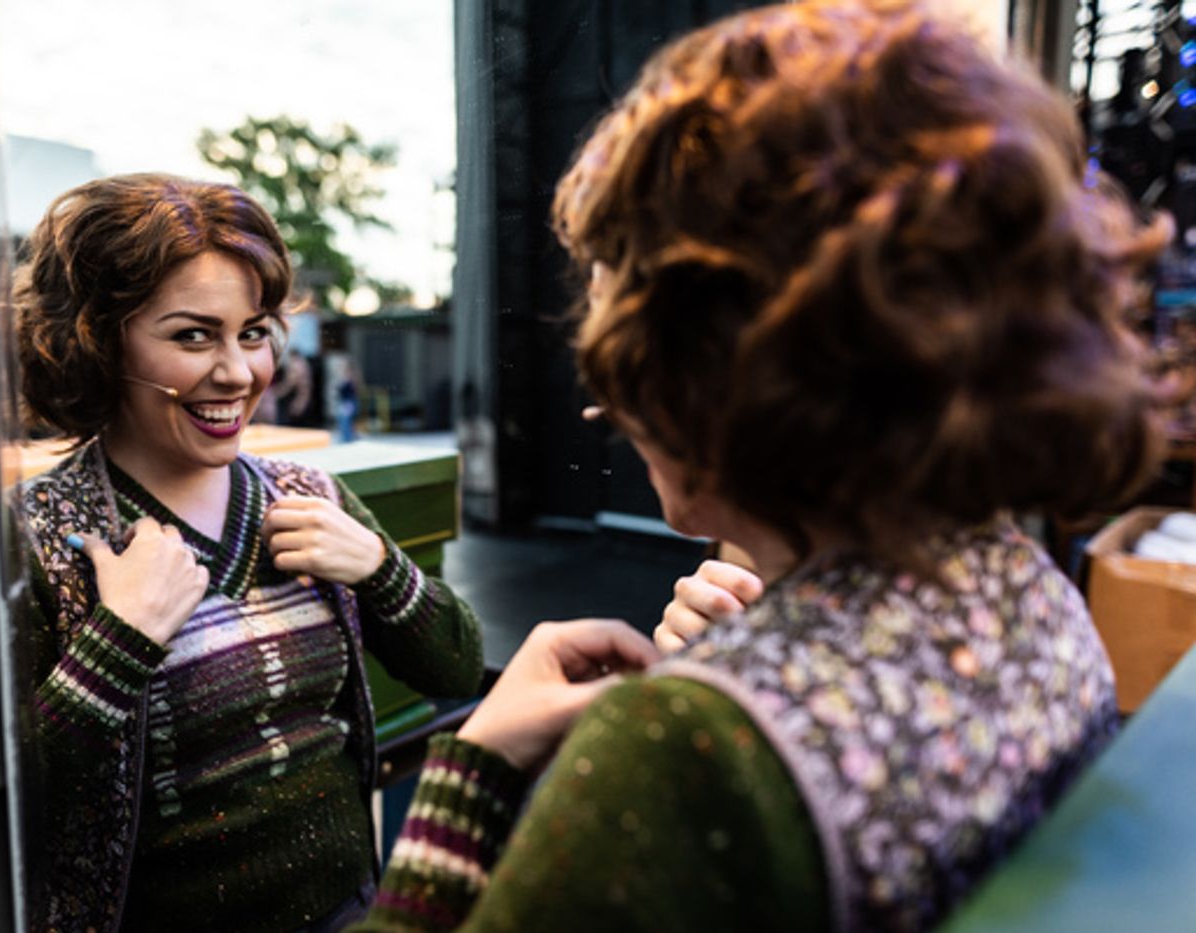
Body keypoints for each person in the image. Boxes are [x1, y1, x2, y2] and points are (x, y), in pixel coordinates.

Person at [353, 2, 1169, 930]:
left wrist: (477, 766)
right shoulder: (1032, 590)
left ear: (724, 360)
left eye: (620, 319)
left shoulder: (680, 750)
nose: (601, 385)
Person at [10, 173, 484, 933]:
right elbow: (10, 807)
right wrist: (116, 646)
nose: (238, 371)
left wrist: (381, 569)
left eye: (254, 331)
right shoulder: (42, 536)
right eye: (193, 335)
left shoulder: (308, 494)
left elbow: (459, 668)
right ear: (97, 342)